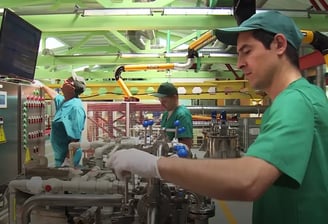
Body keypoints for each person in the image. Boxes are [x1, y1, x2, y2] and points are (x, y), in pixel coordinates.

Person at [108, 10, 328, 223]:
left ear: (279, 45)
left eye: (247, 51)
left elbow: (248, 179)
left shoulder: (296, 101)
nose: (240, 63)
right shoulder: (296, 99)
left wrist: (154, 165)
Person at [34, 72, 86, 167]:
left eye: (68, 81)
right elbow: (55, 95)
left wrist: (67, 161)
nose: (64, 81)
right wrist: (41, 85)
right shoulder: (65, 101)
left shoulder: (75, 108)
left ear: (72, 88)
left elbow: (75, 139)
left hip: (69, 159)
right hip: (60, 157)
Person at [151, 82, 193, 150]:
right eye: (160, 101)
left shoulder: (182, 114)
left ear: (175, 98)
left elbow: (187, 143)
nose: (162, 104)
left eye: (165, 101)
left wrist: (170, 146)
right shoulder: (166, 114)